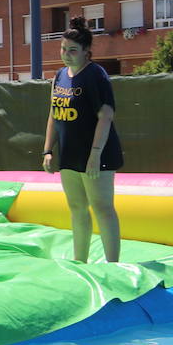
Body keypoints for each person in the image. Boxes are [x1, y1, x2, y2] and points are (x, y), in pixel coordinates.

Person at [45, 16, 124, 263]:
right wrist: (48, 150)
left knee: (102, 208)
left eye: (73, 50)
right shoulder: (59, 76)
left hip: (96, 154)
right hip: (70, 154)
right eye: (63, 49)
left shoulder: (96, 75)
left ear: (86, 52)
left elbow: (106, 115)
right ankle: (81, 262)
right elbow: (54, 113)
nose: (66, 54)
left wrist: (95, 155)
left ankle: (113, 266)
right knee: (77, 209)